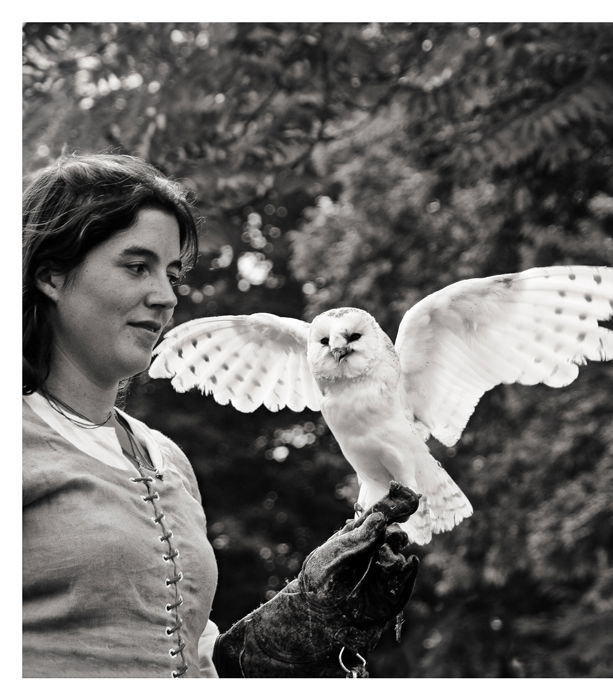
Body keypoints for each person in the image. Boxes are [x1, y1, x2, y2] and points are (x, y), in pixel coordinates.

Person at [22, 152, 419, 678]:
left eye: (172, 273)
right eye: (136, 267)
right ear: (52, 276)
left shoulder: (164, 460)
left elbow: (195, 661)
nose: (164, 296)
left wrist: (306, 616)